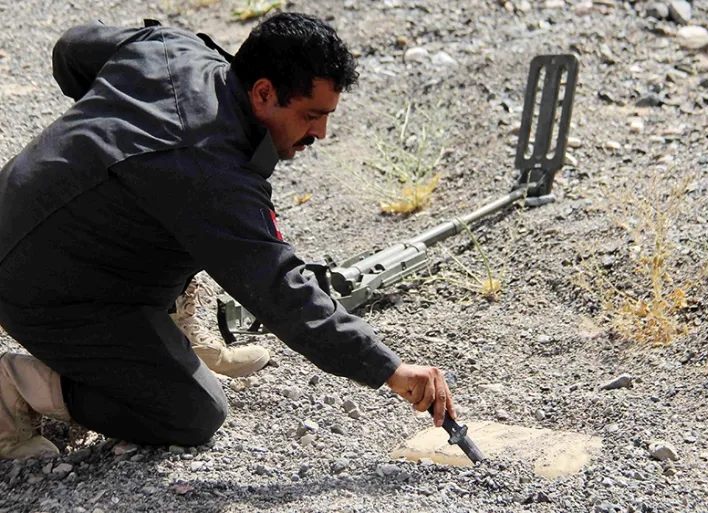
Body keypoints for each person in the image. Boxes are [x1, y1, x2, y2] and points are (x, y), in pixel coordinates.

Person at [0, 12, 456, 460]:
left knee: (164, 207)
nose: (320, 132)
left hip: (34, 223)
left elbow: (72, 48)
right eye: (311, 115)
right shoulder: (211, 171)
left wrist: (104, 128)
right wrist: (389, 369)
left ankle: (168, 326)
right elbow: (280, 290)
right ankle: (14, 388)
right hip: (35, 284)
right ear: (264, 92)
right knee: (189, 412)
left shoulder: (172, 50)